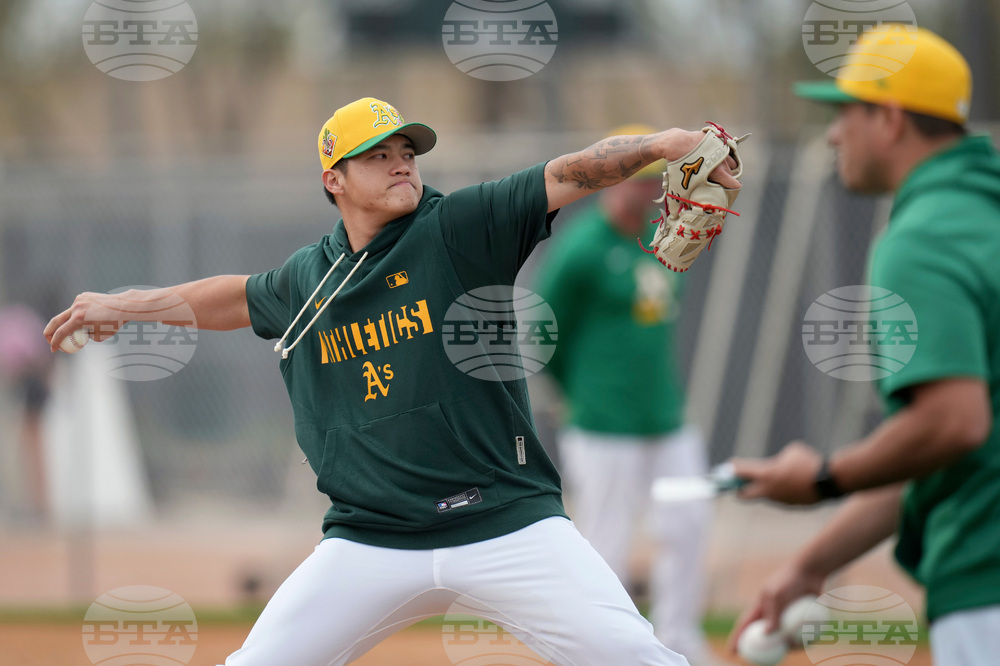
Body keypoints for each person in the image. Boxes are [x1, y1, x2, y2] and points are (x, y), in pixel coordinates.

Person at [45, 97, 742, 666]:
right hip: (369, 538)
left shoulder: (460, 229)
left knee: (631, 655)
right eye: (378, 155)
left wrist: (663, 143)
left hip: (505, 523)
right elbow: (230, 297)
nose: (402, 163)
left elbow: (568, 172)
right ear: (334, 180)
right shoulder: (308, 277)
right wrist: (124, 306)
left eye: (407, 151)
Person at [725, 25, 1000, 666]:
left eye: (845, 110)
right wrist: (811, 563)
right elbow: (940, 452)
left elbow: (952, 424)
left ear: (892, 118)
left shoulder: (923, 236)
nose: (832, 132)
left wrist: (821, 479)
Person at [533, 125, 716, 665]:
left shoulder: (664, 238)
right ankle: (604, 652)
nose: (646, 191)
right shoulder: (583, 249)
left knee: (689, 525)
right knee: (605, 543)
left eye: (653, 182)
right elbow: (543, 328)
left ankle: (679, 637)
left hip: (665, 414)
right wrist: (570, 392)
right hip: (601, 420)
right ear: (610, 182)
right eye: (636, 180)